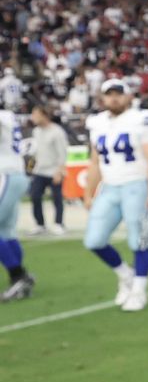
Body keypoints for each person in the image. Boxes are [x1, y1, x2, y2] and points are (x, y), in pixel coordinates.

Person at [83, 78, 148, 313]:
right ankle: (125, 274)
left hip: (135, 184)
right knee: (94, 241)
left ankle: (139, 291)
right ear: (103, 98)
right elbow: (95, 162)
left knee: (138, 240)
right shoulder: (97, 123)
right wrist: (89, 192)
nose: (114, 98)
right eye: (109, 94)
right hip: (110, 186)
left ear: (128, 96)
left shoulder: (141, 119)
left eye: (119, 93)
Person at [0, 104, 31, 301]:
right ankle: (22, 278)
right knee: (7, 231)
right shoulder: (8, 115)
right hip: (17, 173)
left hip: (6, 174)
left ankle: (17, 276)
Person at [25, 104, 69, 237]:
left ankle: (59, 224)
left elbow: (63, 153)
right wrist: (31, 168)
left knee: (57, 198)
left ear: (44, 115)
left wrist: (60, 171)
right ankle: (40, 224)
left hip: (54, 170)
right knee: (35, 196)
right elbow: (36, 152)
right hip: (39, 170)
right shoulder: (36, 131)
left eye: (36, 114)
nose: (33, 117)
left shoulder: (57, 131)